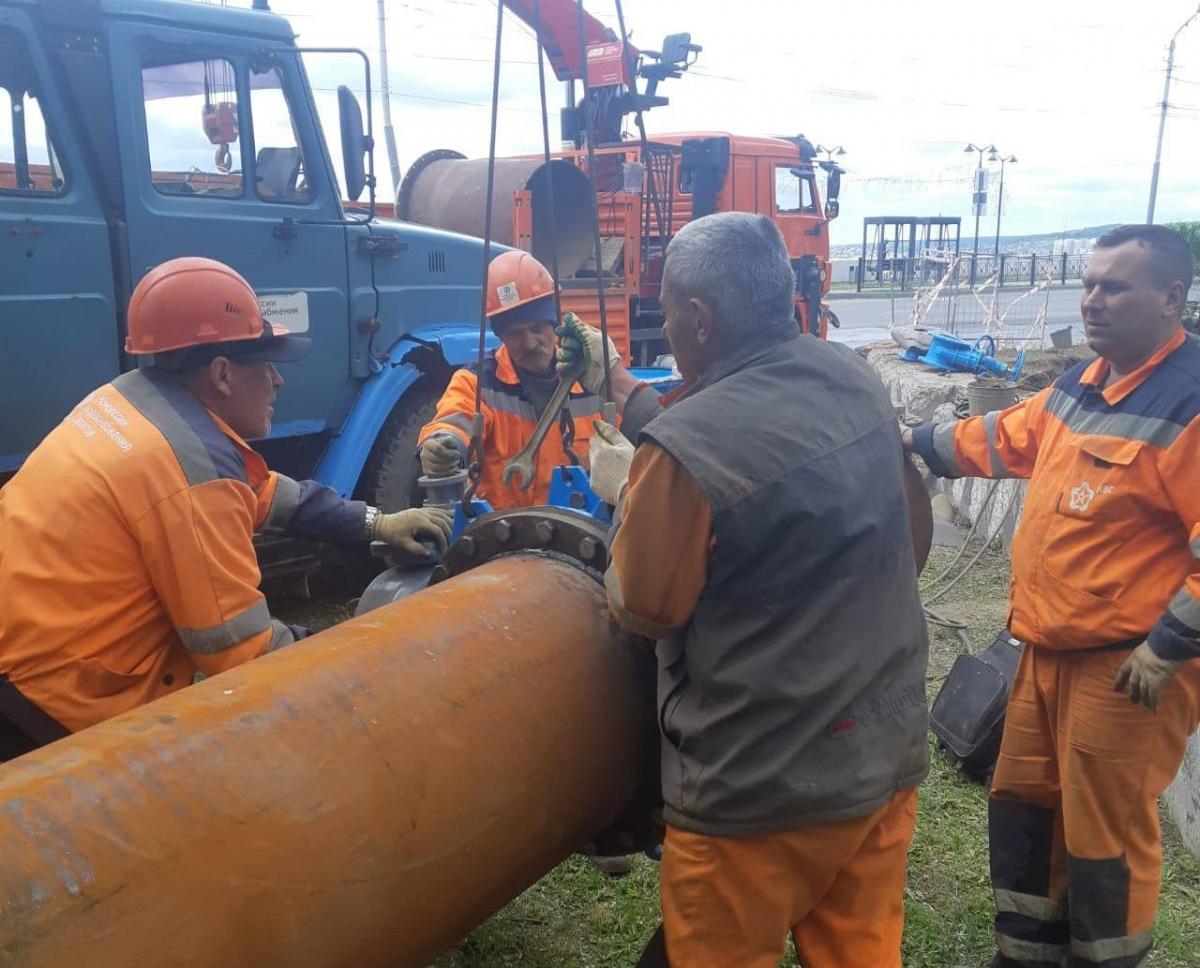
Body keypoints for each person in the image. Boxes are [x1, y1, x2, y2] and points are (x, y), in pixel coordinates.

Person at [596, 212, 930, 967]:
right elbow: (911, 537)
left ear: (700, 319)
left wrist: (628, 501)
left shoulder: (683, 451)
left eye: (668, 309)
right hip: (880, 754)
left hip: (759, 796)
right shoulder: (854, 379)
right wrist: (627, 394)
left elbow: (645, 607)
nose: (666, 324)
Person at [0, 257, 451, 759]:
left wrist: (377, 522)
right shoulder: (188, 470)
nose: (278, 380)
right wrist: (367, 653)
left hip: (21, 645)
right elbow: (243, 653)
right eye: (267, 364)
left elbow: (256, 491)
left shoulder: (131, 403)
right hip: (48, 705)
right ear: (222, 375)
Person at [904, 223, 1200, 968]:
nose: (1093, 301)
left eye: (1114, 287)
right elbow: (1003, 437)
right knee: (1026, 805)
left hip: (1128, 666)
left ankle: (1106, 958)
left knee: (1104, 832)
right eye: (1089, 284)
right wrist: (914, 441)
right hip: (1044, 648)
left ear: (1172, 297)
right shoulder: (1086, 383)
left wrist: (1168, 649)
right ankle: (1027, 953)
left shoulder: (1189, 405)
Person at [418, 250, 658, 508]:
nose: (530, 343)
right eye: (515, 334)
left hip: (582, 536)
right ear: (500, 336)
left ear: (553, 324)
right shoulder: (477, 383)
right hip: (502, 537)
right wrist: (442, 444)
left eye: (536, 329)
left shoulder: (593, 380)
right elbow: (452, 421)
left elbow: (651, 434)